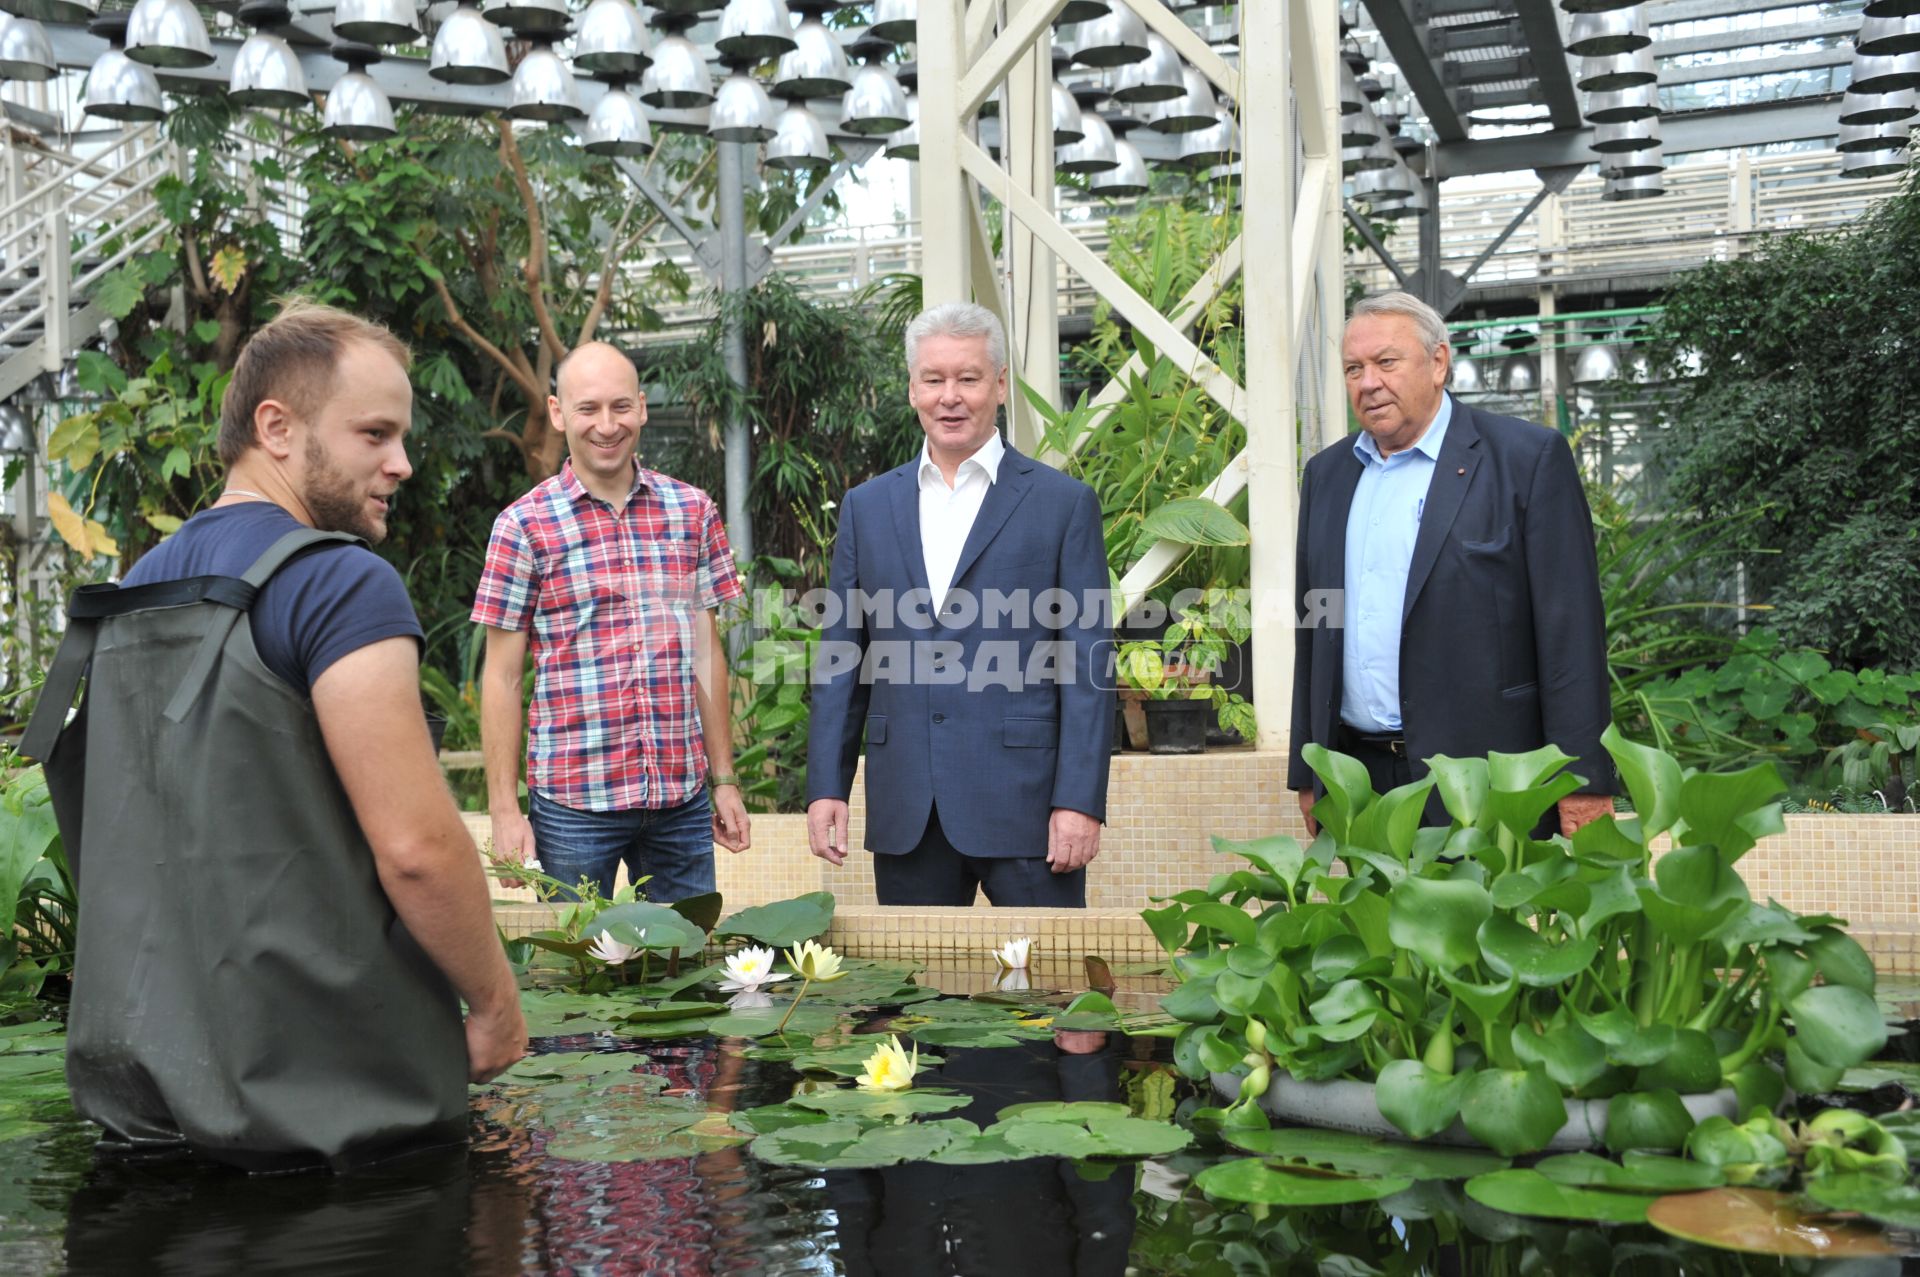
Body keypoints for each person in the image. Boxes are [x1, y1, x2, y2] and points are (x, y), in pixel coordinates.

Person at [21, 300, 527, 1171]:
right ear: (277, 427)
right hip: (335, 1119)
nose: (401, 463)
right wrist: (494, 1001)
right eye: (375, 433)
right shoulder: (339, 584)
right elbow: (415, 846)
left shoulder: (136, 589)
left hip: (148, 1117)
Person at [805, 302, 1113, 906]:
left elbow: (1088, 666)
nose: (951, 396)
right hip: (909, 810)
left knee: (1047, 991)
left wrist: (1078, 801)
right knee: (913, 996)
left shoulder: (1062, 504)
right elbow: (843, 658)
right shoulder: (867, 508)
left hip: (1027, 811)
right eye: (934, 379)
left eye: (969, 379)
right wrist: (827, 787)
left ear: (999, 385)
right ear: (913, 388)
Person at [1289, 290, 1616, 835]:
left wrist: (1582, 781)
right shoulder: (1328, 476)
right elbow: (1314, 624)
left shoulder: (1525, 460)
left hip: (1487, 781)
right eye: (1353, 368)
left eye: (1386, 362)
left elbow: (1571, 634)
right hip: (1359, 778)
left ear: (1438, 362)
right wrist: (1308, 769)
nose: (1368, 382)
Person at [474, 341, 749, 904]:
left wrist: (723, 780)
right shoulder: (522, 527)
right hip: (573, 805)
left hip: (680, 799)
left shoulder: (692, 511)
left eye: (621, 407)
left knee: (686, 971)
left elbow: (707, 654)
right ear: (558, 413)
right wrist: (505, 811)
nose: (607, 425)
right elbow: (500, 678)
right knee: (579, 983)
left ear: (643, 408)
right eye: (588, 408)